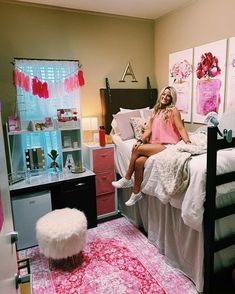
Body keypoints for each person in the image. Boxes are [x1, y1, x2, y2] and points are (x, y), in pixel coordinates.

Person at [112, 86, 191, 206]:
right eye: (164, 94)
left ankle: (127, 178)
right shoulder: (156, 111)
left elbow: (180, 128)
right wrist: (140, 140)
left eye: (168, 96)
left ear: (171, 98)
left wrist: (188, 143)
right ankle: (136, 192)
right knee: (138, 162)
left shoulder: (173, 110)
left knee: (137, 150)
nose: (165, 97)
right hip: (155, 144)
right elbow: (148, 130)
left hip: (168, 145)